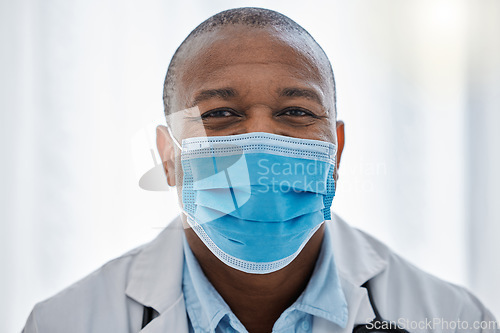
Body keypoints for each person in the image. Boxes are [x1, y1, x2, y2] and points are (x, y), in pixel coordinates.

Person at [23, 7, 498, 333]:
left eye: (295, 112)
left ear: (337, 153)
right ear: (169, 158)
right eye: (219, 115)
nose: (262, 142)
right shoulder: (65, 322)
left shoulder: (449, 315)